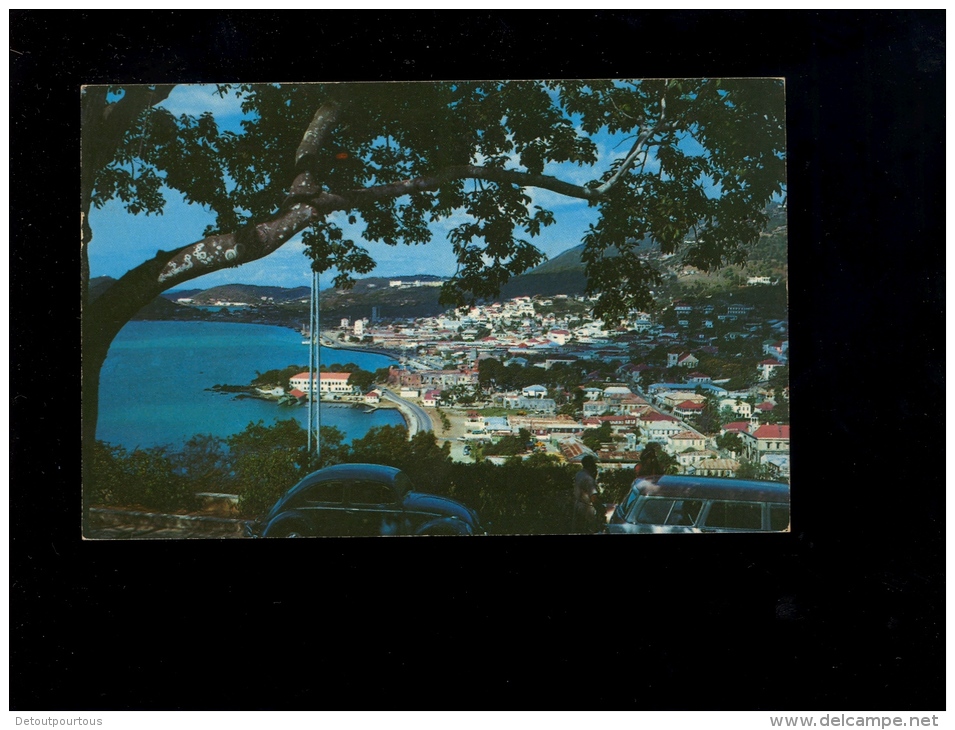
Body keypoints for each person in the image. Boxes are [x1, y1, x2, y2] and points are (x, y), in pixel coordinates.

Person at [572, 454, 600, 533]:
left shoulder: (579, 474)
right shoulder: (589, 479)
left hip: (578, 505)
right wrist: (601, 508)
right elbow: (593, 498)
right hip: (587, 508)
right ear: (591, 465)